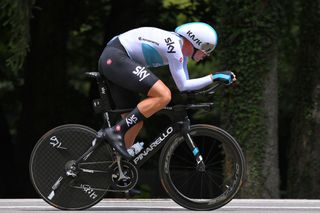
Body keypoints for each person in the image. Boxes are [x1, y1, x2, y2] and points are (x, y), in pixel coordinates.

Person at [98, 22, 236, 159]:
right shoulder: (174, 47)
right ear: (196, 42)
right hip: (116, 57)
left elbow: (185, 85)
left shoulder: (181, 54)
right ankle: (116, 131)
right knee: (163, 95)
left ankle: (117, 168)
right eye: (206, 50)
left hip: (116, 59)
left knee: (134, 123)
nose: (205, 55)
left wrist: (214, 79)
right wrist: (214, 77)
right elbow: (183, 86)